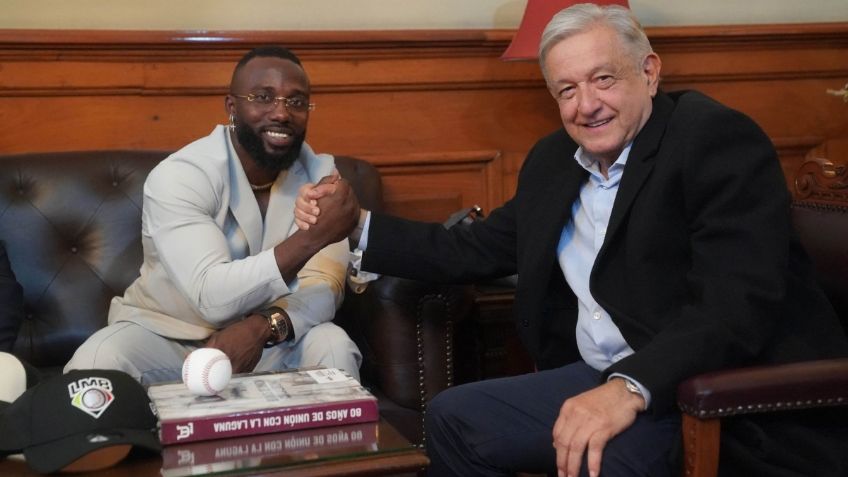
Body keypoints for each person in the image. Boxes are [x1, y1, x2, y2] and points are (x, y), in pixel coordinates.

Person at [295, 4, 848, 477]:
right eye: (567, 89)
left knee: (597, 454)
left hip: (712, 389)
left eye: (603, 79)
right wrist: (355, 224)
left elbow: (733, 308)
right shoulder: (555, 160)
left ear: (649, 72)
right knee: (454, 418)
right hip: (605, 376)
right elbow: (476, 248)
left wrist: (628, 388)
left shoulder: (713, 141)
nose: (586, 105)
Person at [65, 46, 362, 385]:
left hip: (272, 339)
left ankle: (345, 441)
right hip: (169, 336)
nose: (281, 113)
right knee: (97, 360)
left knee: (334, 346)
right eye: (263, 97)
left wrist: (265, 326)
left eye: (296, 102)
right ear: (232, 108)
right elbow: (211, 297)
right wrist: (313, 237)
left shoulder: (320, 173)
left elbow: (324, 286)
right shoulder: (181, 175)